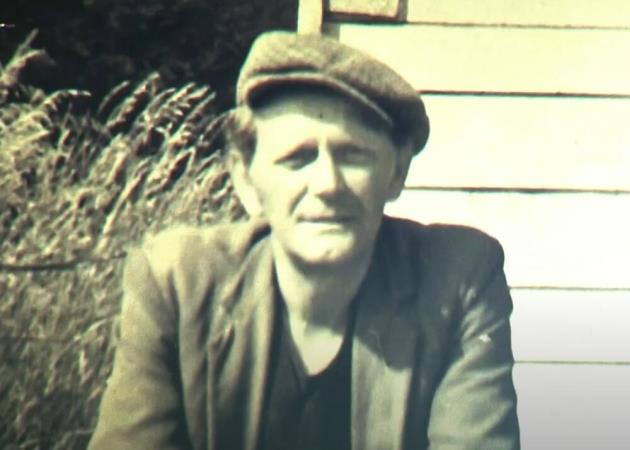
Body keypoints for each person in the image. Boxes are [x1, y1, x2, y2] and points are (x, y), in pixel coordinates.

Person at [88, 31, 520, 450]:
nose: (328, 184)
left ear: (396, 173)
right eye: (297, 158)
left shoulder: (457, 282)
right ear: (246, 180)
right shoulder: (178, 283)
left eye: (353, 155)